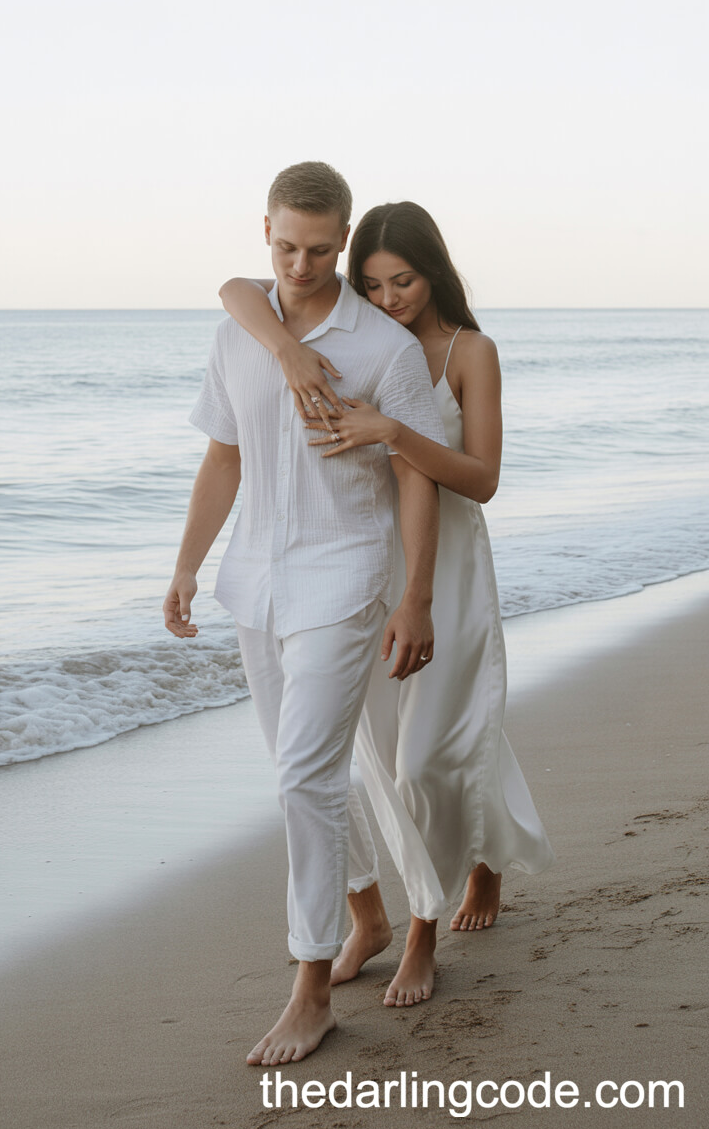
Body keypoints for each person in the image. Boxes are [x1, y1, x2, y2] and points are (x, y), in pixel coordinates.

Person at [218, 199, 554, 1010]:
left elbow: (482, 480)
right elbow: (236, 289)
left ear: (433, 272)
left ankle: (425, 929)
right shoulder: (365, 343)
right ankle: (465, 862)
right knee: (387, 754)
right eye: (372, 283)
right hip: (362, 563)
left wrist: (393, 432)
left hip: (452, 563)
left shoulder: (469, 352)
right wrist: (289, 352)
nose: (390, 296)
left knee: (429, 751)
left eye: (402, 279)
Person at [163, 166, 447, 1065]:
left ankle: (310, 987)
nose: (302, 263)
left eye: (322, 249)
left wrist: (415, 598)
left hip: (346, 575)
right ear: (266, 231)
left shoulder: (383, 351)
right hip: (255, 578)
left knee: (303, 780)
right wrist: (185, 566)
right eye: (286, 245)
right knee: (304, 770)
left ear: (344, 237)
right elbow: (223, 459)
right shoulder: (238, 333)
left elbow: (417, 477)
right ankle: (364, 911)